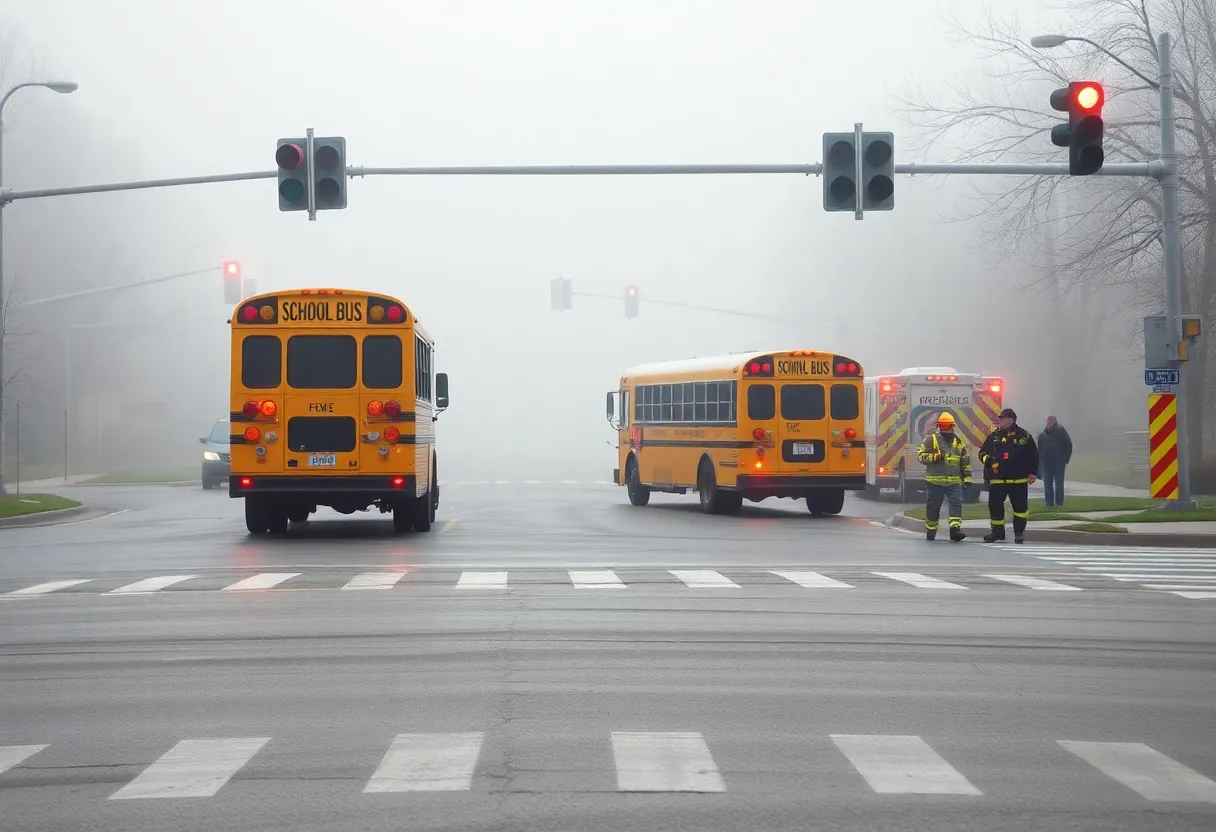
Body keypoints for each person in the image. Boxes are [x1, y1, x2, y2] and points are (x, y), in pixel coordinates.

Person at [979, 408, 1040, 544]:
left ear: (1011, 420)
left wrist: (1033, 473)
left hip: (1018, 479)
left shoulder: (1024, 436)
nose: (999, 420)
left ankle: (1018, 533)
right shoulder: (994, 436)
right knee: (995, 506)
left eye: (1002, 418)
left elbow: (1033, 456)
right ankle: (997, 532)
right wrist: (988, 460)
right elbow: (982, 453)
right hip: (997, 479)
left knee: (1020, 508)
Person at [916, 412, 972, 542]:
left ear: (952, 426)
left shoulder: (958, 442)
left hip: (954, 482)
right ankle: (931, 530)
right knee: (933, 507)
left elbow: (964, 461)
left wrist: (967, 479)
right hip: (934, 482)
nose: (946, 428)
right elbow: (921, 457)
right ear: (939, 426)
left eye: (948, 426)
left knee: (956, 504)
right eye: (943, 426)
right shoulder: (931, 440)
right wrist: (934, 457)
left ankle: (955, 530)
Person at [1038, 415, 1073, 508]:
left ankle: (1059, 503)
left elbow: (1069, 445)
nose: (1049, 423)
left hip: (1059, 463)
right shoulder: (1044, 434)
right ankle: (1049, 504)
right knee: (1047, 485)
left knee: (1059, 485)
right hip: (1047, 463)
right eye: (1047, 422)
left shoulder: (1061, 432)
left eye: (1050, 421)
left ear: (1055, 421)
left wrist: (1065, 460)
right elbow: (1040, 449)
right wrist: (1040, 462)